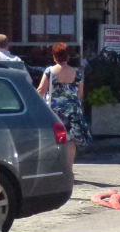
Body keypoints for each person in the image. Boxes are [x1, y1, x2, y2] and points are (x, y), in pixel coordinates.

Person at [37, 42, 90, 170]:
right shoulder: (77, 72)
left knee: (54, 139)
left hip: (55, 110)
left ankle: (55, 167)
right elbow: (80, 93)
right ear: (68, 56)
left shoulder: (50, 71)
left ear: (54, 56)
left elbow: (41, 90)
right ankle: (68, 169)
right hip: (72, 109)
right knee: (71, 141)